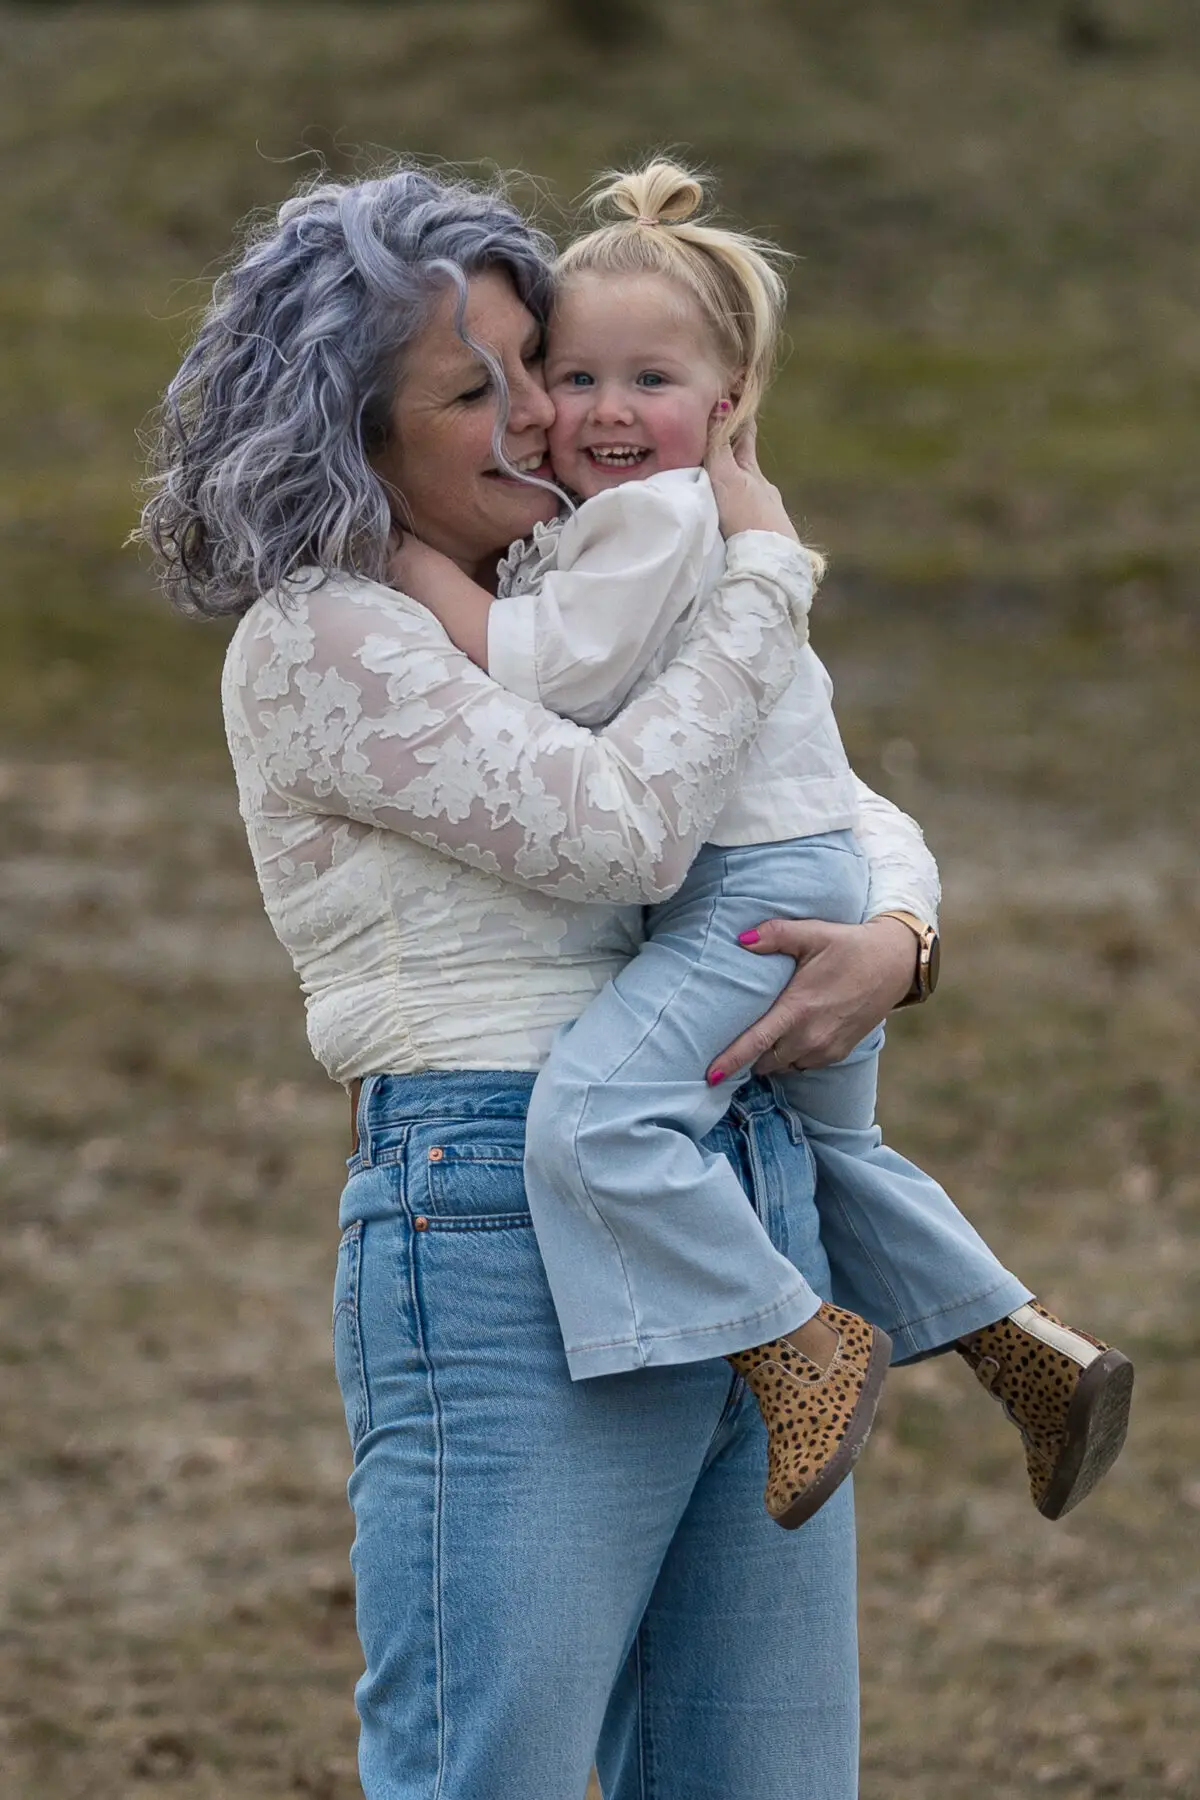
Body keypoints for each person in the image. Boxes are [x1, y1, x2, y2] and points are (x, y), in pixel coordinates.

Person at [140, 159, 990, 1799]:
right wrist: (764, 572)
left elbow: (829, 801)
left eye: (538, 362)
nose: (541, 414)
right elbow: (622, 832)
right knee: (497, 1769)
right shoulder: (329, 636)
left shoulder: (576, 587)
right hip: (491, 1216)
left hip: (735, 1185)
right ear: (355, 435)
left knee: (765, 1772)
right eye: (481, 389)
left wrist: (901, 941)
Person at [390, 157, 1134, 1533]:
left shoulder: (659, 524)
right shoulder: (683, 525)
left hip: (755, 896)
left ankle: (797, 1346)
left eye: (652, 382)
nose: (607, 410)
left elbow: (543, 667)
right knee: (842, 1157)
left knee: (599, 1119)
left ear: (728, 408)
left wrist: (407, 565)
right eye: (577, 376)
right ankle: (1023, 1347)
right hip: (815, 874)